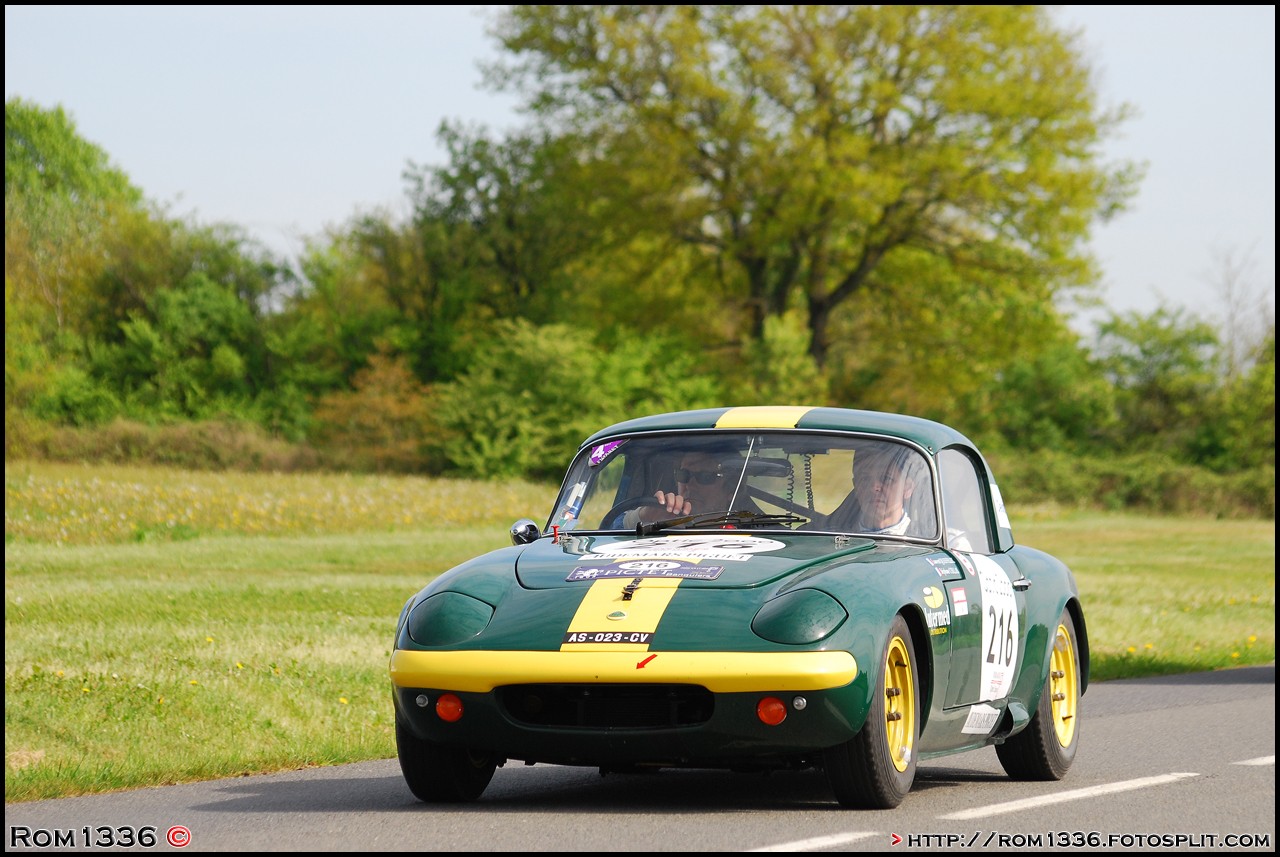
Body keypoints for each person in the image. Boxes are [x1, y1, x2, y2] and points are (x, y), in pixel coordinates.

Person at [623, 448, 761, 527]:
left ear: (731, 488)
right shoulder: (660, 525)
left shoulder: (759, 534)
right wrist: (644, 516)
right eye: (684, 475)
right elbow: (608, 532)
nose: (690, 484)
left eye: (705, 476)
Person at [828, 444, 920, 536]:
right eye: (865, 479)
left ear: (907, 487)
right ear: (856, 486)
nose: (874, 487)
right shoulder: (831, 535)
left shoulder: (922, 535)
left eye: (886, 478)